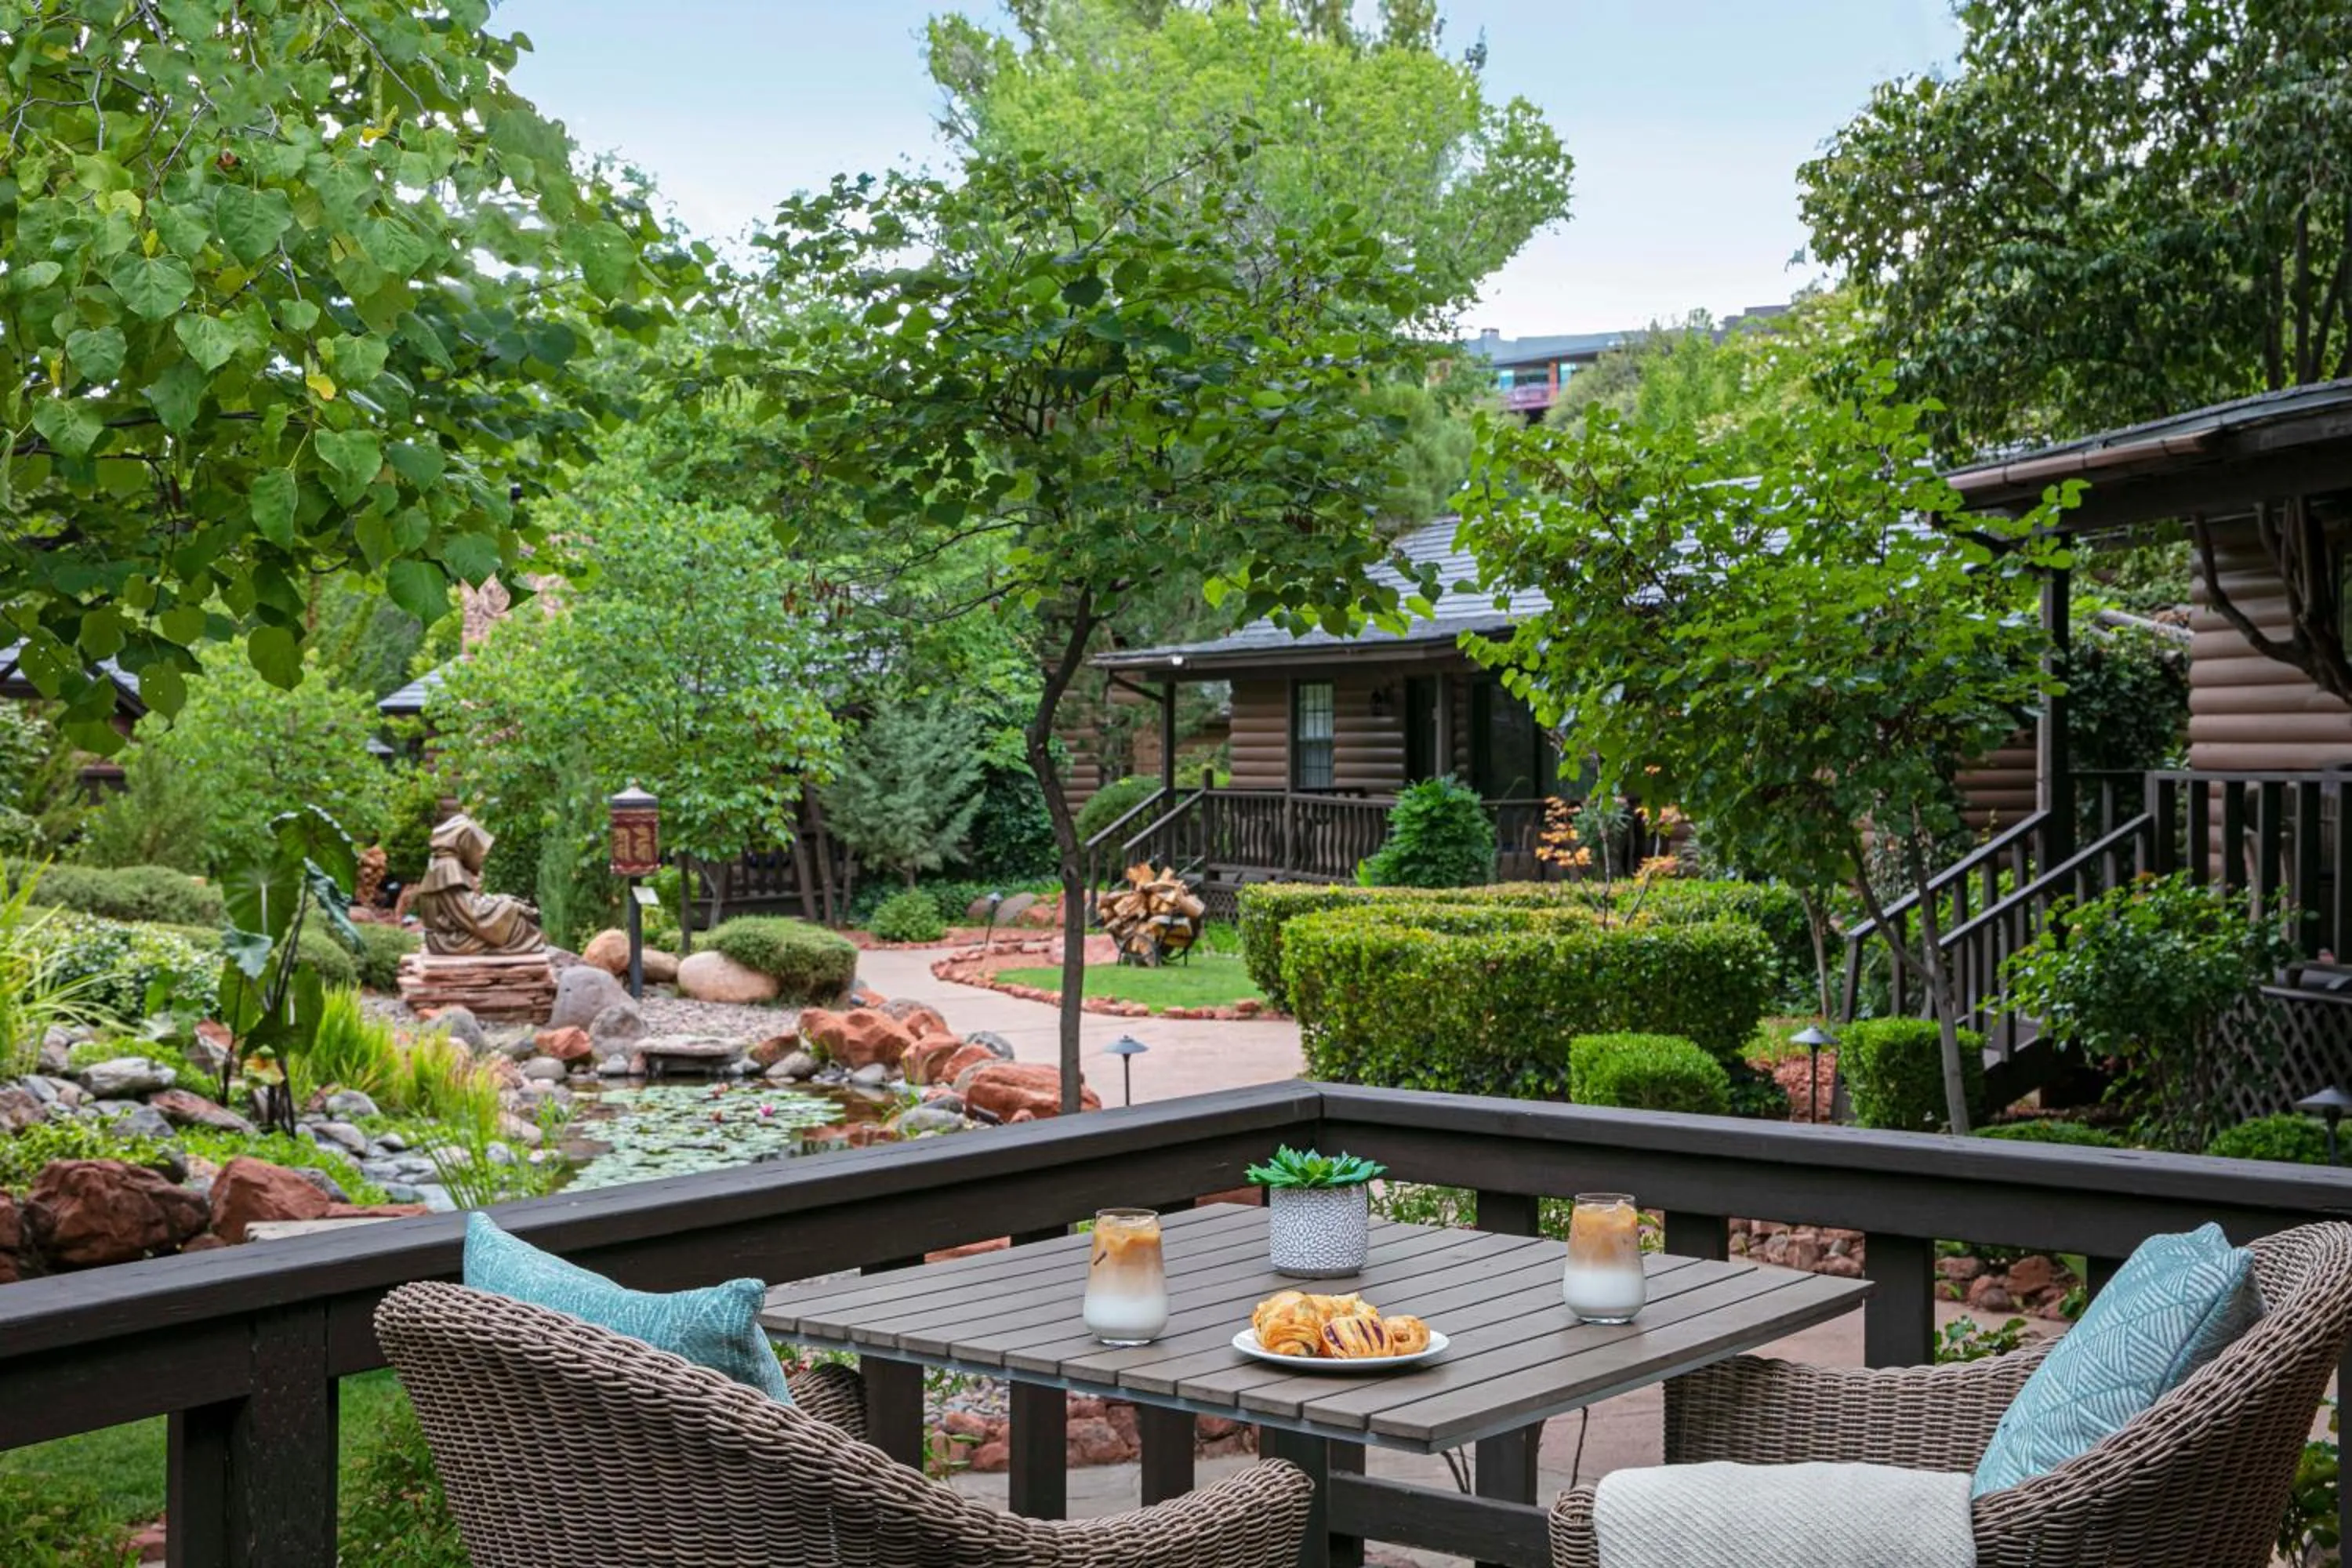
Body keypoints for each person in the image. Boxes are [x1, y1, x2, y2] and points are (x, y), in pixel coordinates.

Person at [414, 813, 546, 956]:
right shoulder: (447, 866)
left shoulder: (443, 863)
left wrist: (504, 901)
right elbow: (471, 915)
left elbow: (466, 906)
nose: (481, 857)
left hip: (445, 937)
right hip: (450, 941)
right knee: (520, 929)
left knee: (518, 924)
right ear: (465, 842)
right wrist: (510, 906)